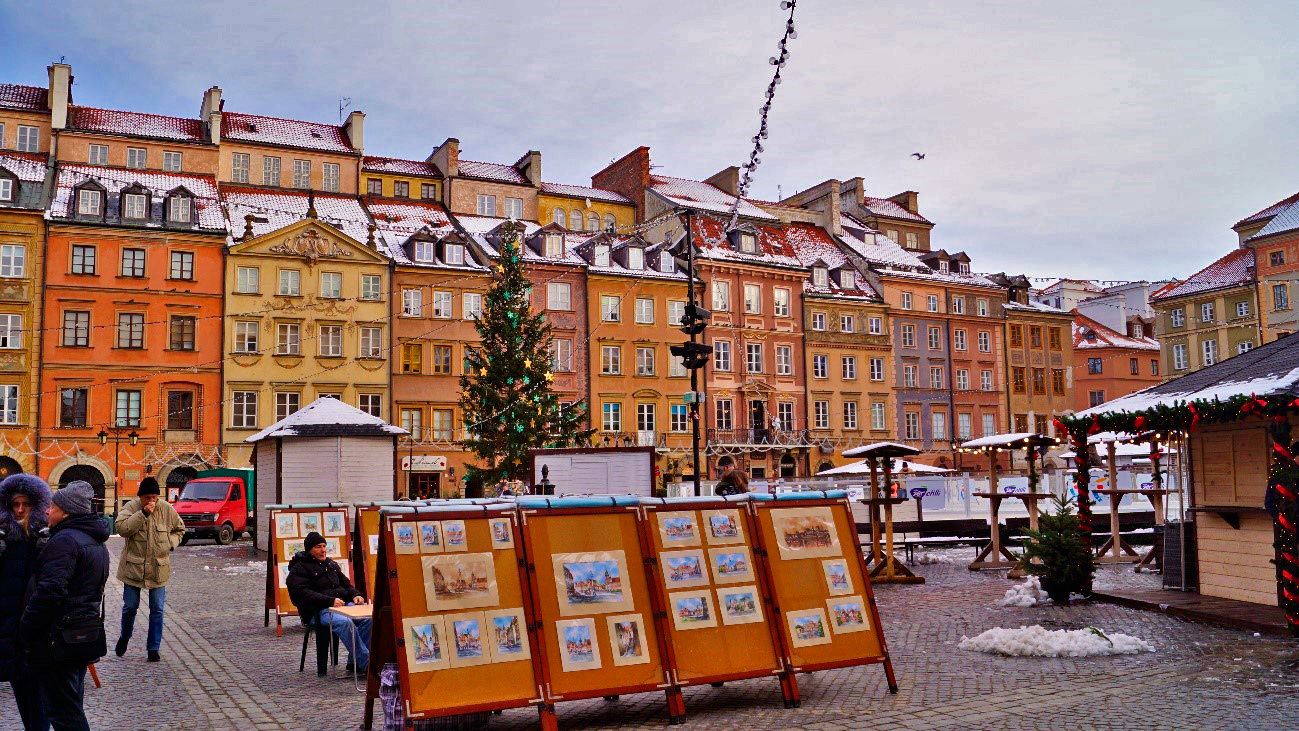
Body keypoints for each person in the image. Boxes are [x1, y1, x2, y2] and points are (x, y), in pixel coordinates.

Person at [21, 480, 109, 731]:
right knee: (71, 707)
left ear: (66, 512)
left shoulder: (66, 541)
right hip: (80, 637)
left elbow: (50, 592)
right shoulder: (94, 540)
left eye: (53, 506)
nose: (47, 511)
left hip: (58, 641)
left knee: (63, 714)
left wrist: (26, 627)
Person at [0, 474, 52, 730]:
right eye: (14, 505)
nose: (20, 510)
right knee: (19, 686)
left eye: (25, 504)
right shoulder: (4, 539)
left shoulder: (46, 539)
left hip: (35, 630)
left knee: (39, 695)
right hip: (9, 629)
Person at [114, 476, 185, 662]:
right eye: (147, 497)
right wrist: (142, 514)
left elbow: (180, 529)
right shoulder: (131, 508)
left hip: (158, 569)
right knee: (130, 607)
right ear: (141, 497)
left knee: (158, 609)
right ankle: (124, 637)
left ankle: (153, 648)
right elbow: (122, 528)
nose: (151, 501)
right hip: (133, 569)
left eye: (154, 497)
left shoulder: (166, 510)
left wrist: (171, 543)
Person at [286, 531, 370, 674]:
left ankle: (354, 662)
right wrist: (329, 601)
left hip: (342, 606)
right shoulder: (299, 569)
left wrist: (356, 595)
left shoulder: (331, 564)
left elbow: (346, 585)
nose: (323, 550)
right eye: (318, 547)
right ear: (309, 549)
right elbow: (301, 594)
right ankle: (368, 663)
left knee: (368, 620)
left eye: (324, 546)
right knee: (345, 623)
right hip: (319, 612)